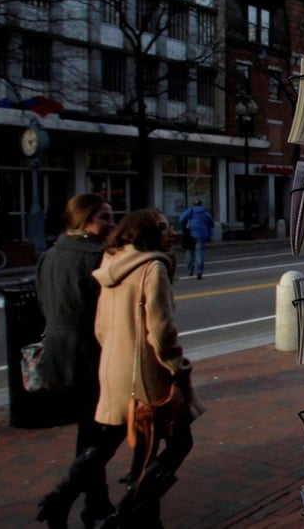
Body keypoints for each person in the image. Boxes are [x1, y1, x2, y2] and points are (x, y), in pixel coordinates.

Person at [93, 208, 204, 527]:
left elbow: (100, 326)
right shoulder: (153, 268)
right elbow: (161, 331)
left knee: (139, 447)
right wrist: (178, 369)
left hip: (114, 369)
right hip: (147, 374)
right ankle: (127, 514)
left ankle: (136, 514)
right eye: (163, 228)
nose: (172, 233)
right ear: (146, 233)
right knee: (175, 443)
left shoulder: (110, 263)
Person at [35, 193, 116, 529]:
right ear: (83, 220)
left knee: (90, 430)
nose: (111, 224)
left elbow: (42, 300)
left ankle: (95, 504)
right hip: (90, 353)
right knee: (105, 429)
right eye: (104, 217)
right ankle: (66, 497)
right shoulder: (100, 257)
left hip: (56, 353)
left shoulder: (49, 255)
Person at [178, 199, 214, 279]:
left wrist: (186, 226)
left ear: (194, 205)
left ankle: (190, 270)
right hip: (202, 235)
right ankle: (199, 271)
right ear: (201, 205)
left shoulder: (190, 211)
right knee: (199, 252)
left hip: (191, 234)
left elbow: (181, 219)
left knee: (189, 252)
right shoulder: (205, 213)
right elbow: (212, 223)